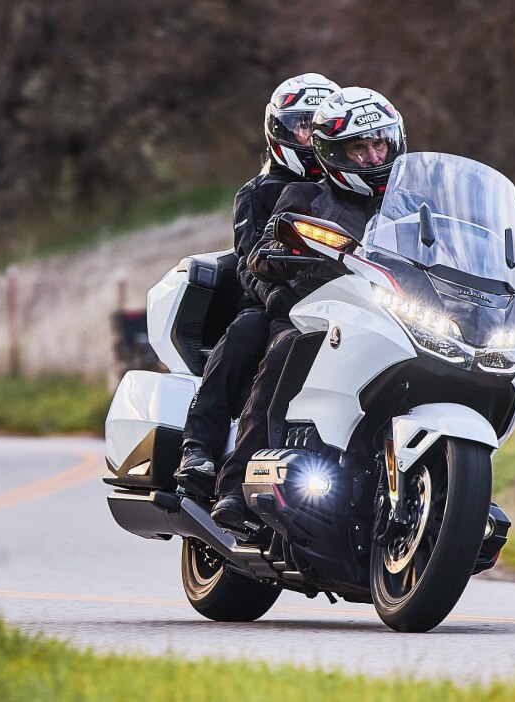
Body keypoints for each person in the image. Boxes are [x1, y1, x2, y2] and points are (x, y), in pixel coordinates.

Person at [211, 86, 407, 529]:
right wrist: (284, 255)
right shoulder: (304, 197)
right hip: (313, 314)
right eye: (359, 148)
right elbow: (259, 254)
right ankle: (236, 485)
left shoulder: (412, 207)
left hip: (388, 320)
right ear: (334, 153)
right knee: (287, 350)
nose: (374, 158)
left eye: (380, 144)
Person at [174, 73, 340, 497]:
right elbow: (249, 262)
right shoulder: (258, 193)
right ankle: (199, 446)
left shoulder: (347, 190)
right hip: (268, 304)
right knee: (246, 334)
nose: (310, 135)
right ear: (280, 130)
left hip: (338, 304)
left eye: (318, 125)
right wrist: (277, 300)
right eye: (303, 125)